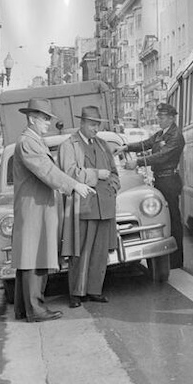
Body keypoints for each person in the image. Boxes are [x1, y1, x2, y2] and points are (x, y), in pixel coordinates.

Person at [12, 98, 95, 323]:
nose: (48, 123)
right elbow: (47, 170)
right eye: (44, 119)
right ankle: (35, 310)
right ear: (32, 118)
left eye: (48, 119)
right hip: (34, 209)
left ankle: (24, 308)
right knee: (34, 258)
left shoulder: (32, 140)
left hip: (35, 207)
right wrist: (74, 185)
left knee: (30, 258)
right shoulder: (29, 142)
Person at [57, 105, 120, 309]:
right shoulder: (69, 145)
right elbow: (68, 173)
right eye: (92, 124)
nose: (95, 129)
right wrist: (96, 175)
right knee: (80, 251)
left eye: (97, 125)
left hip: (105, 207)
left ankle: (94, 290)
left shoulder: (102, 144)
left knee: (101, 252)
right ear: (82, 123)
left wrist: (113, 185)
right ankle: (76, 293)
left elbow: (114, 172)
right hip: (83, 206)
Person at [115, 103, 185, 269]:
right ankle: (170, 258)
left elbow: (162, 156)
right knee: (164, 216)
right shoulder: (161, 133)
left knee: (173, 218)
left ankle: (176, 261)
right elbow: (146, 143)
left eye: (162, 117)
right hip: (160, 179)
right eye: (159, 117)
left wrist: (138, 162)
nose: (159, 120)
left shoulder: (175, 136)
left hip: (169, 179)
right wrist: (127, 147)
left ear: (171, 118)